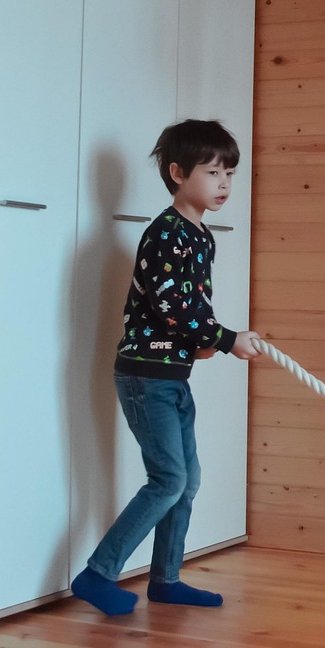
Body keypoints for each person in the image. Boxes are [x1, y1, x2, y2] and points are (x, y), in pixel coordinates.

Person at [71, 119, 259, 616]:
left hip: (171, 377)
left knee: (186, 479)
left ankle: (165, 579)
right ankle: (98, 573)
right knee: (168, 478)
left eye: (230, 174)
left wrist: (202, 342)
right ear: (178, 173)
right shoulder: (165, 234)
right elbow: (173, 302)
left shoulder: (201, 236)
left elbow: (191, 304)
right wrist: (223, 340)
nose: (224, 184)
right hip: (144, 377)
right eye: (213, 172)